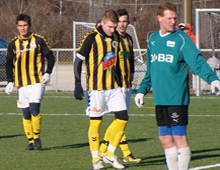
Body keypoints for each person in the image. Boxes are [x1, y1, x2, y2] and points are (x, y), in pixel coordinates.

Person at [134, 3, 220, 170]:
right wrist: (142, 90)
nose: (172, 21)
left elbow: (196, 62)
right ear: (159, 18)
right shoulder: (153, 40)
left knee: (179, 137)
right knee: (165, 138)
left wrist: (212, 79)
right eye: (169, 18)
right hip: (160, 98)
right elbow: (150, 70)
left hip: (176, 98)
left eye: (174, 18)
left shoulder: (181, 39)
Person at [74, 9, 128, 170]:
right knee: (96, 123)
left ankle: (110, 154)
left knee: (123, 118)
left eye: (115, 27)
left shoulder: (117, 37)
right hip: (95, 90)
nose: (113, 30)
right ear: (102, 23)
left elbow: (116, 61)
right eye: (110, 27)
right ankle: (95, 159)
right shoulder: (91, 38)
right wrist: (77, 83)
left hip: (114, 87)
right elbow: (77, 61)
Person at [5, 14, 55, 150]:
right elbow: (9, 63)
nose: (22, 28)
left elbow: (50, 57)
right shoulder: (12, 44)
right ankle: (31, 141)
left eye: (25, 25)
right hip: (21, 84)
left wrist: (48, 72)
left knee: (34, 108)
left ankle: (37, 138)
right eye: (20, 26)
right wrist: (9, 81)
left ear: (30, 26)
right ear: (17, 26)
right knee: (25, 113)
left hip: (37, 81)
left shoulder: (39, 40)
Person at [99, 9, 141, 163]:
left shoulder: (129, 39)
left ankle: (105, 150)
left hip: (127, 84)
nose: (122, 24)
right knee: (121, 119)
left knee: (121, 120)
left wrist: (131, 74)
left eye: (125, 21)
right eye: (120, 21)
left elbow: (130, 59)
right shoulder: (112, 39)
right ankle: (123, 153)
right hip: (115, 86)